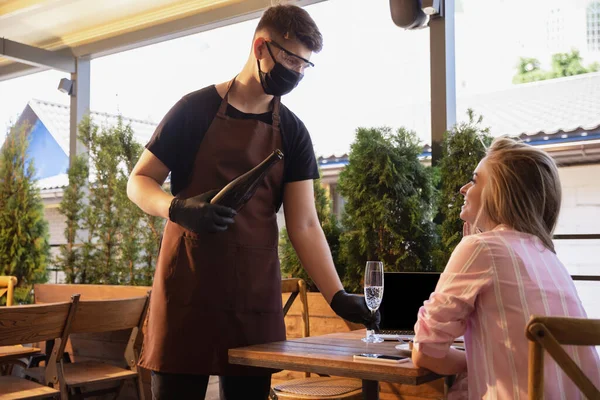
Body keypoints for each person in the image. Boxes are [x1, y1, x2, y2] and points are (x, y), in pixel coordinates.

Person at [127, 4, 377, 400]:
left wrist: (336, 294)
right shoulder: (193, 110)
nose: (296, 72)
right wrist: (175, 208)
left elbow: (305, 224)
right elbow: (138, 181)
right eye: (291, 59)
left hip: (252, 296)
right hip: (186, 292)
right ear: (260, 46)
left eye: (304, 66)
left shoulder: (293, 132)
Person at [411, 137, 600, 399]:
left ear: (500, 191)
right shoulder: (549, 257)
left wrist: (473, 364)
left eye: (476, 180)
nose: (464, 188)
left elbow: (425, 352)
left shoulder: (480, 248)